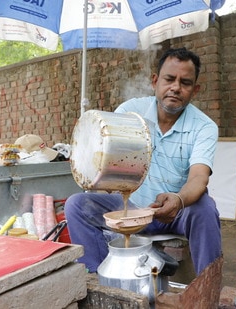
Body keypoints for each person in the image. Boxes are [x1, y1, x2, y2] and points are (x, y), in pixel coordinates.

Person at [64, 47, 222, 276]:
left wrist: (178, 200)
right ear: (155, 81)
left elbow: (199, 177)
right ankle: (98, 280)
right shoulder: (130, 112)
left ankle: (209, 287)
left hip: (175, 212)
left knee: (205, 208)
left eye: (185, 83)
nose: (176, 87)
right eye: (169, 79)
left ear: (194, 90)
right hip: (131, 207)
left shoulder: (204, 126)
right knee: (77, 205)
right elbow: (107, 158)